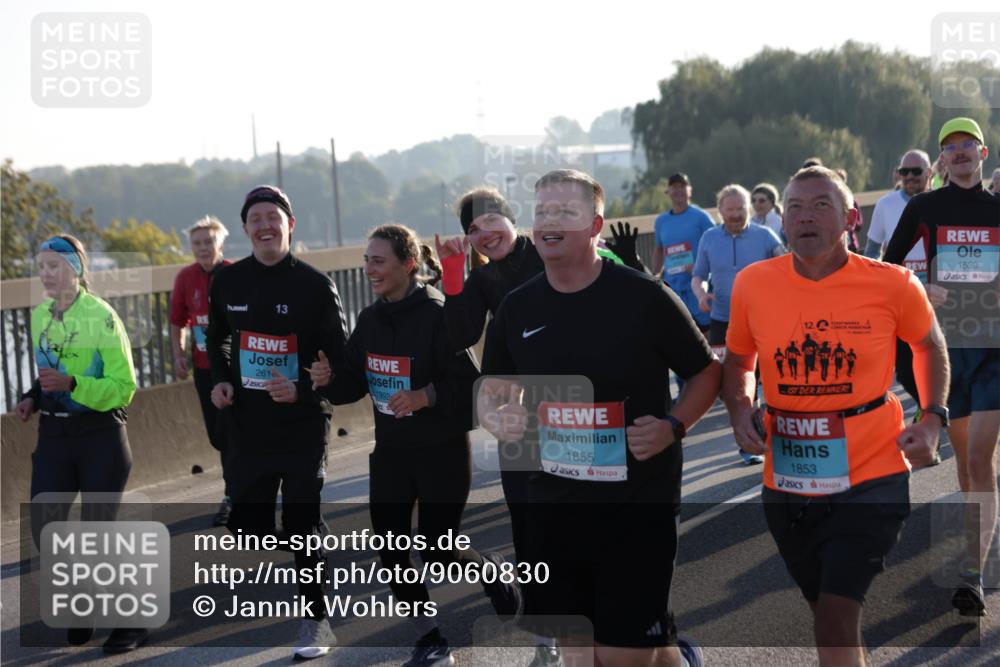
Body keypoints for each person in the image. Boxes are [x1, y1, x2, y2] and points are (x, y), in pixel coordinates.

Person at [479, 168, 721, 667]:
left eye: (566, 212)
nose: (550, 221)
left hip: (635, 506)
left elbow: (705, 374)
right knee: (580, 652)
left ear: (594, 225)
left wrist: (673, 427)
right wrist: (495, 416)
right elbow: (493, 390)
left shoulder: (644, 298)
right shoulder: (517, 309)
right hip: (551, 508)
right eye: (543, 211)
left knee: (622, 655)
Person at [722, 165, 947, 667]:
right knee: (826, 609)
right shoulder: (753, 284)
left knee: (834, 618)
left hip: (873, 472)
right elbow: (739, 360)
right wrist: (740, 408)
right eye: (795, 207)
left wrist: (932, 418)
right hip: (788, 478)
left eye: (821, 205)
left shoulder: (892, 283)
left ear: (850, 218)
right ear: (782, 220)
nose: (805, 216)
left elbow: (928, 345)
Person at [310, 224, 522, 666]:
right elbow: (354, 383)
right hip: (391, 453)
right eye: (367, 260)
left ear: (408, 264)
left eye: (379, 260)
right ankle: (430, 639)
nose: (370, 269)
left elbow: (471, 386)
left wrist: (426, 396)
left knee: (439, 548)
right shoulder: (369, 320)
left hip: (441, 450)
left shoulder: (438, 313)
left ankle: (490, 568)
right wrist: (329, 382)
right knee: (390, 547)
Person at [206, 185, 349, 659]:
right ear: (245, 229)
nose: (265, 225)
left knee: (303, 521)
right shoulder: (227, 283)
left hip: (303, 424)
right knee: (247, 527)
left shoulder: (314, 285)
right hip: (248, 425)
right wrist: (222, 381)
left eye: (274, 217)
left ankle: (317, 620)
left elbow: (340, 361)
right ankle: (315, 548)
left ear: (291, 225)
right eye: (256, 219)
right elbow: (219, 340)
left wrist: (305, 387)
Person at [883, 117, 1000, 617]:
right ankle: (978, 543)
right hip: (950, 353)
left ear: (983, 152)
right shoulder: (924, 207)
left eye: (967, 146)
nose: (960, 154)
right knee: (966, 471)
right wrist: (921, 287)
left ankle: (973, 576)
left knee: (979, 461)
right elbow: (889, 267)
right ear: (941, 161)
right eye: (949, 148)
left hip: (993, 349)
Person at [15, 235, 143, 653]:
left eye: (54, 265)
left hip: (100, 436)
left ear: (76, 269)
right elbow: (48, 370)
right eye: (41, 265)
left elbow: (124, 387)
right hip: (54, 436)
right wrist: (33, 397)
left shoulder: (101, 317)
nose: (45, 273)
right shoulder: (39, 316)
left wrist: (73, 384)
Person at [691, 184, 783, 464]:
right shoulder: (709, 238)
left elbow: (787, 268)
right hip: (723, 320)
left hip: (763, 319)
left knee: (770, 377)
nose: (735, 214)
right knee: (736, 386)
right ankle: (749, 442)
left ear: (749, 209)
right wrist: (701, 294)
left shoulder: (765, 236)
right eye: (729, 209)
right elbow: (698, 276)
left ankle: (778, 433)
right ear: (720, 211)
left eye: (740, 208)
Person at [864, 150, 936, 456]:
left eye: (915, 172)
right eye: (903, 171)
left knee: (941, 359)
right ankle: (928, 408)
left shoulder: (942, 203)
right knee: (905, 368)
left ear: (930, 172)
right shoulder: (885, 205)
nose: (908, 177)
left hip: (941, 297)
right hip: (900, 296)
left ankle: (937, 419)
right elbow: (871, 247)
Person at [169, 215, 233, 526]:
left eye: (209, 241)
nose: (203, 248)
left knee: (236, 431)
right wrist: (179, 356)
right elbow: (177, 320)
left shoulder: (237, 274)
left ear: (221, 243)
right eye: (197, 243)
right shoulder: (185, 278)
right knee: (218, 435)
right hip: (204, 369)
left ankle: (234, 495)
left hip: (236, 369)